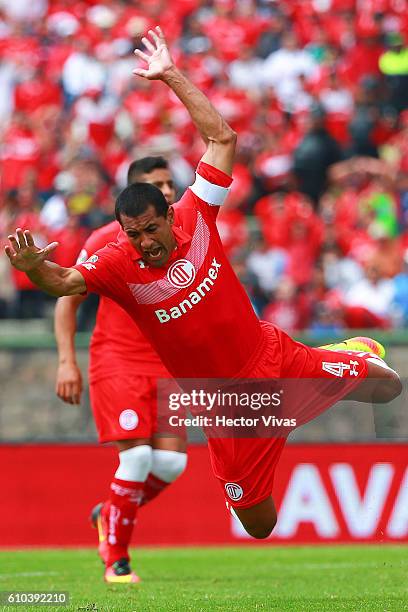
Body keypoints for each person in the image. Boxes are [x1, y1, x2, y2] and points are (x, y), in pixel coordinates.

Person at [6, 27, 401, 545]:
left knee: (389, 386)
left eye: (151, 229)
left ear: (169, 214)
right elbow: (62, 282)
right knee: (260, 526)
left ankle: (314, 379)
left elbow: (223, 138)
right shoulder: (117, 264)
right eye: (134, 234)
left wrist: (170, 74)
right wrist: (33, 267)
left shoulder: (198, 213)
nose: (144, 242)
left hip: (269, 356)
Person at [54, 156, 186, 584]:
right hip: (118, 360)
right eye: (154, 184)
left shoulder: (182, 236)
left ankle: (107, 513)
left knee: (170, 464)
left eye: (168, 183)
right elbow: (67, 298)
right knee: (139, 455)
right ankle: (116, 557)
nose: (165, 190)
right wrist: (65, 360)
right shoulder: (108, 239)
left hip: (166, 365)